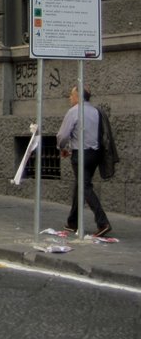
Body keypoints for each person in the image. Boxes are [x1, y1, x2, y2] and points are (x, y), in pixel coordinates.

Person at [56, 86, 111, 237]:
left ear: (78, 96)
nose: (70, 98)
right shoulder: (95, 111)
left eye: (71, 95)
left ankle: (103, 222)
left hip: (81, 154)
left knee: (85, 186)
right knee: (80, 185)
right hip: (95, 154)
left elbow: (62, 135)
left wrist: (62, 148)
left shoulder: (74, 111)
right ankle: (72, 222)